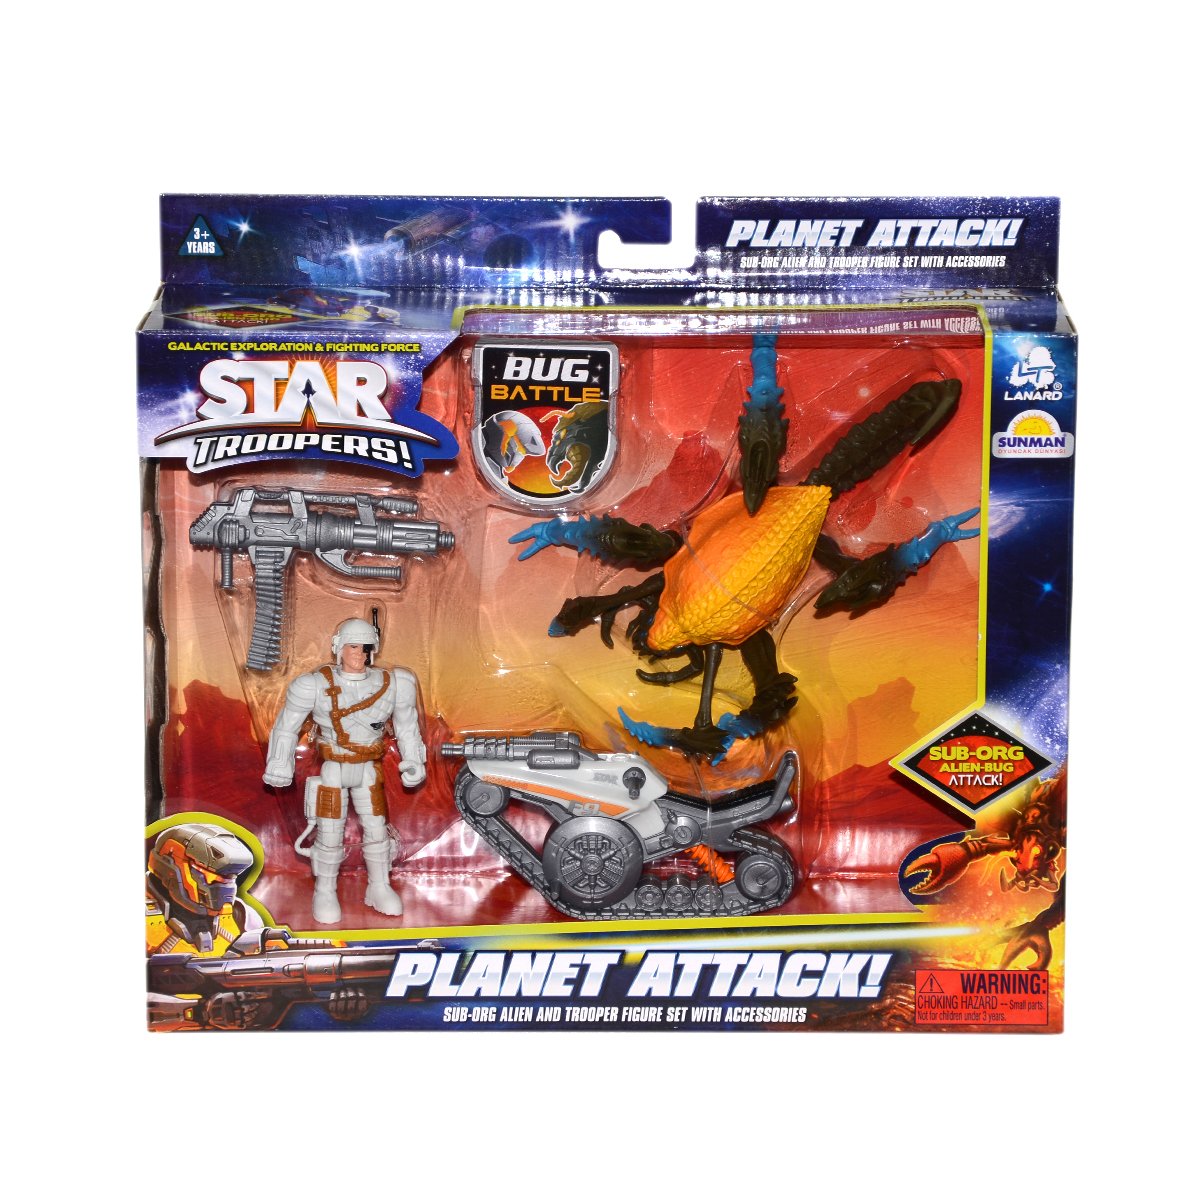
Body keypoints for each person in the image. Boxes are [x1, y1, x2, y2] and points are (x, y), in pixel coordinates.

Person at [264, 617, 426, 923]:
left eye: (365, 647)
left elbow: (407, 726)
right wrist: (280, 763)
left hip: (368, 769)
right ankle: (325, 890)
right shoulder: (313, 685)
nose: (359, 654)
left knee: (376, 830)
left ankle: (379, 885)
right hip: (333, 769)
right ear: (338, 647)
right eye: (353, 646)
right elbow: (286, 726)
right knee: (329, 833)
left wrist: (415, 761)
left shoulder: (395, 683)